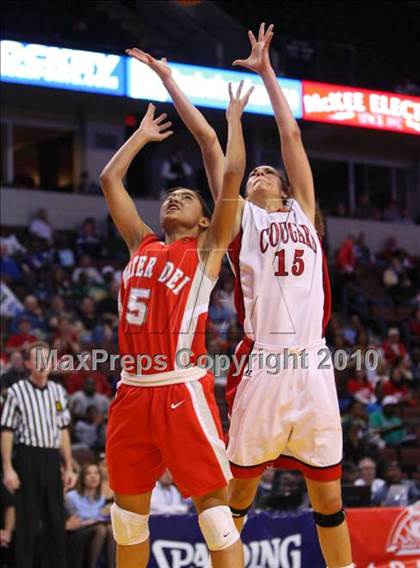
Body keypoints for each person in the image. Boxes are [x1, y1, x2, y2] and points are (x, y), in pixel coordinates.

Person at [137, 22, 353, 568]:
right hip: (265, 362)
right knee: (240, 493)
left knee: (329, 498)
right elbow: (213, 147)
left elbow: (292, 138)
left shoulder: (303, 210)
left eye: (266, 171)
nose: (258, 170)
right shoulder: (240, 218)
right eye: (253, 170)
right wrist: (170, 82)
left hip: (313, 361)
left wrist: (267, 71)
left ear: (284, 188)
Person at [100, 75, 253, 567]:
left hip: (181, 388)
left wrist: (230, 124)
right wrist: (140, 137)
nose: (173, 199)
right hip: (131, 390)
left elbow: (230, 177)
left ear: (207, 221)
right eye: (170, 196)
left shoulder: (207, 250)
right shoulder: (140, 242)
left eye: (186, 197)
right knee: (126, 519)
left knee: (214, 514)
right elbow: (109, 180)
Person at [1, 342, 76, 568]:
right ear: (27, 364)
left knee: (55, 519)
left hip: (52, 459)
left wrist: (69, 466)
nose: (43, 364)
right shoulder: (16, 392)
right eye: (37, 359)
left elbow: (62, 429)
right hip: (27, 458)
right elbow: (6, 430)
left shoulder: (57, 393)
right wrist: (7, 467)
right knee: (27, 521)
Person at [65, 463, 115, 568]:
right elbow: (73, 521)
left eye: (96, 473)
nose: (93, 477)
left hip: (96, 529)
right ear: (83, 478)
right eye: (88, 473)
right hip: (77, 533)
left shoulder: (101, 498)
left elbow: (99, 517)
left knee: (109, 529)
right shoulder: (71, 497)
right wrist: (91, 520)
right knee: (101, 529)